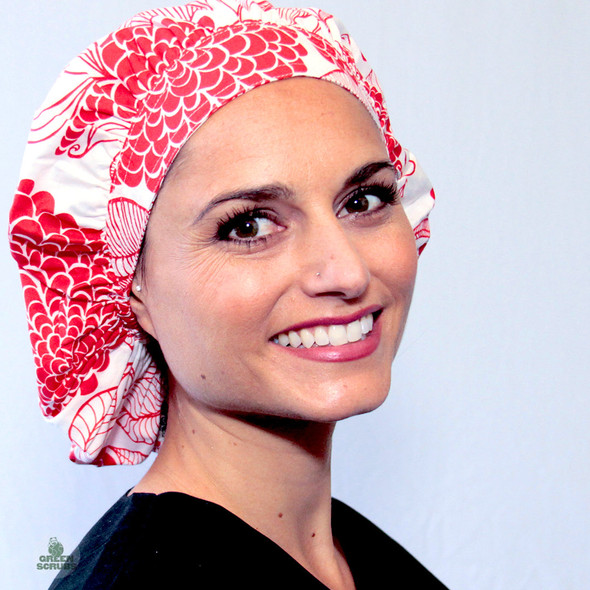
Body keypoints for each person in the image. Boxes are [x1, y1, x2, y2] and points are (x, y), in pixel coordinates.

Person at [8, 1, 444, 588]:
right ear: (130, 285)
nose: (345, 270)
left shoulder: (347, 553)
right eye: (248, 225)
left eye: (363, 200)